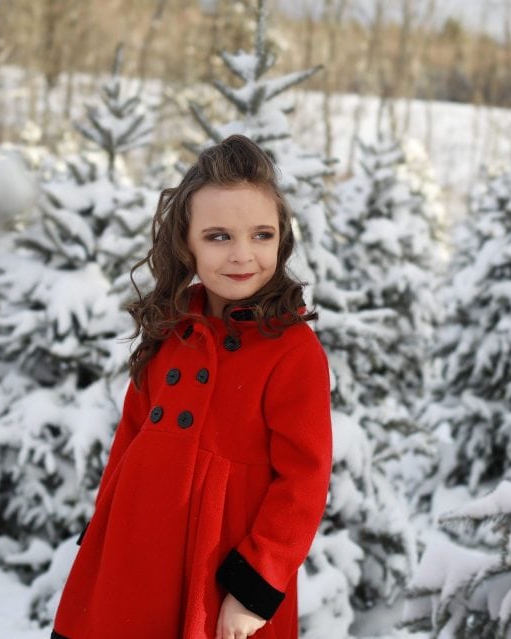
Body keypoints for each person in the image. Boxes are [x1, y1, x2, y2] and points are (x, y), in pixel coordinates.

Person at [50, 134, 333, 639]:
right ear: (187, 243)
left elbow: (303, 483)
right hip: (133, 556)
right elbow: (130, 438)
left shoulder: (292, 350)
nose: (242, 255)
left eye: (261, 235)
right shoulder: (172, 328)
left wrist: (254, 588)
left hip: (217, 570)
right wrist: (104, 531)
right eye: (219, 236)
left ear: (281, 239)